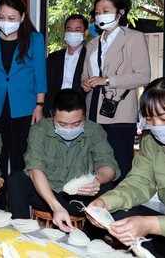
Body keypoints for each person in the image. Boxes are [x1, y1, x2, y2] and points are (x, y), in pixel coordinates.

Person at [87, 76, 165, 257]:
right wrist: (106, 202)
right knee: (121, 217)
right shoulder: (152, 144)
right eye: (150, 120)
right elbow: (139, 182)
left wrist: (148, 224)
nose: (157, 127)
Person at [7, 88, 120, 232]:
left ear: (85, 117)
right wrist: (55, 206)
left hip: (81, 198)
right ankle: (21, 233)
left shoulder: (94, 130)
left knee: (108, 188)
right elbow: (35, 169)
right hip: (47, 195)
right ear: (51, 117)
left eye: (77, 123)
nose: (69, 129)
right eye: (62, 124)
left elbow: (109, 165)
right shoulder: (39, 129)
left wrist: (97, 180)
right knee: (16, 180)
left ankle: (88, 244)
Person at [82, 0, 151, 180]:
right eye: (97, 11)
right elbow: (85, 75)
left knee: (119, 163)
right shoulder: (93, 44)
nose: (100, 15)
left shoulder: (133, 37)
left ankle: (119, 205)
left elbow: (143, 76)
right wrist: (86, 83)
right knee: (95, 163)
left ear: (120, 12)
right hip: (93, 107)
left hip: (119, 110)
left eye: (106, 10)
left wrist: (107, 80)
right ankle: (96, 204)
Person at [0, 0, 47, 181]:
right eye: (1, 18)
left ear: (22, 17)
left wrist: (39, 105)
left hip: (25, 108)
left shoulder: (35, 39)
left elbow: (40, 75)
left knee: (21, 156)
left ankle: (19, 202)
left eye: (11, 18)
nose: (6, 22)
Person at [44, 14, 88, 117]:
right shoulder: (52, 58)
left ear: (85, 32)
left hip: (80, 110)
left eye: (77, 30)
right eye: (69, 30)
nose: (73, 33)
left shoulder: (90, 57)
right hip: (54, 110)